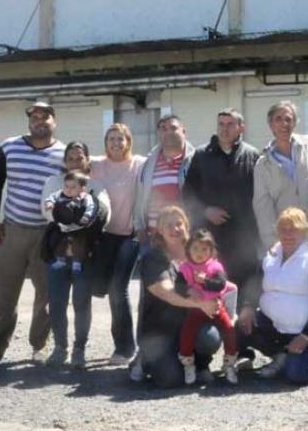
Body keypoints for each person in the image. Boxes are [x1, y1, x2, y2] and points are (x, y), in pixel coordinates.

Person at [0, 102, 66, 365]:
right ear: (29, 122)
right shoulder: (9, 147)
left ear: (54, 121)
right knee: (4, 292)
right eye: (34, 117)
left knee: (46, 292)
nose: (39, 121)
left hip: (47, 233)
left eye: (45, 116)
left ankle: (40, 346)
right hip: (12, 230)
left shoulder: (63, 153)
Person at [236, 208, 308, 384]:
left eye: (294, 229)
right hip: (275, 327)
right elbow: (254, 285)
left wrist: (306, 335)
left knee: (297, 375)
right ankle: (280, 354)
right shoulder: (270, 257)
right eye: (283, 229)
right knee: (238, 325)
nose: (288, 234)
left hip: (307, 332)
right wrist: (247, 307)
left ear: (306, 232)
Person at [137, 205, 234, 387]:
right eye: (168, 225)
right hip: (160, 331)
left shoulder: (198, 250)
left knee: (210, 337)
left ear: (186, 226)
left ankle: (200, 365)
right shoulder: (153, 257)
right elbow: (166, 292)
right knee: (170, 380)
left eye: (179, 223)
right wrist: (201, 304)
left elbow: (218, 278)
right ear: (159, 230)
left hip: (192, 321)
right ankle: (144, 360)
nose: (175, 229)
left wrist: (227, 297)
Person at [40, 142, 111, 369]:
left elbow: (103, 216)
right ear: (65, 161)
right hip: (57, 252)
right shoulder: (53, 183)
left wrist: (68, 217)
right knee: (57, 303)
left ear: (87, 160)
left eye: (79, 158)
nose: (74, 162)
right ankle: (60, 347)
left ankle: (79, 348)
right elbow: (47, 212)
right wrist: (72, 219)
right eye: (70, 158)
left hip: (85, 255)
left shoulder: (96, 186)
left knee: (82, 304)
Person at [183, 109, 261, 311]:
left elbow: (261, 196)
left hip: (244, 238)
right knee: (212, 287)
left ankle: (240, 338)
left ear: (241, 128)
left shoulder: (252, 155)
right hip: (211, 238)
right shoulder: (201, 155)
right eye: (221, 124)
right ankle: (212, 335)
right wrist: (205, 211)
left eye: (230, 124)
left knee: (243, 290)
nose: (224, 129)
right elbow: (188, 194)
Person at [89, 123, 146, 367]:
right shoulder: (96, 165)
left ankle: (125, 347)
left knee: (117, 288)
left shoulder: (138, 164)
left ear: (128, 142)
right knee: (98, 288)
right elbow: (70, 162)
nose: (115, 143)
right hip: (103, 236)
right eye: (111, 139)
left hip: (129, 235)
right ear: (105, 142)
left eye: (120, 139)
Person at [253, 101, 308, 250]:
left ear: (295, 122)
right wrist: (271, 242)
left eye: (288, 119)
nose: (284, 124)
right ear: (271, 124)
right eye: (278, 119)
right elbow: (263, 207)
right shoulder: (263, 165)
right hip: (288, 236)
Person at [178, 230, 239, 385]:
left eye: (204, 249)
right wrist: (188, 290)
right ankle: (188, 363)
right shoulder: (185, 267)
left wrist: (205, 281)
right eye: (195, 249)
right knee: (187, 333)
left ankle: (230, 363)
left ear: (211, 251)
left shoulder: (215, 266)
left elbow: (221, 285)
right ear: (188, 250)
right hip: (195, 309)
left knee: (229, 329)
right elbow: (178, 287)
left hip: (216, 308)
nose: (199, 253)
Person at [134, 114, 196, 249]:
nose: (168, 132)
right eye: (163, 129)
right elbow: (139, 200)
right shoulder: (147, 165)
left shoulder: (197, 162)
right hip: (153, 240)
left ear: (184, 132)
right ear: (158, 134)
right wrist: (140, 231)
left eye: (173, 128)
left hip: (185, 241)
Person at [44, 171, 97, 273]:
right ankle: (60, 259)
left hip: (78, 226)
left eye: (73, 187)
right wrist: (49, 203)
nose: (69, 189)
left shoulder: (86, 198)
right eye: (66, 186)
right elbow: (51, 197)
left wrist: (86, 217)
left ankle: (77, 263)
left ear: (82, 189)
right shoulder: (60, 194)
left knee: (79, 243)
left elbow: (91, 208)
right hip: (63, 225)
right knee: (59, 240)